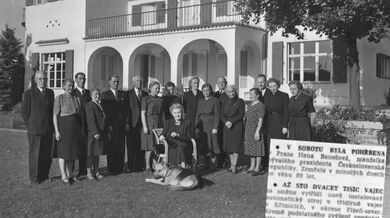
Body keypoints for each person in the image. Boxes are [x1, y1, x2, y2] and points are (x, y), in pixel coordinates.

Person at [21, 71, 54, 184]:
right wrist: (31, 125)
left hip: (48, 129)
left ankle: (44, 176)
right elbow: (25, 113)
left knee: (46, 154)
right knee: (35, 155)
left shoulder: (50, 93)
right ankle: (34, 178)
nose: (43, 81)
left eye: (45, 78)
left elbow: (50, 112)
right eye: (40, 79)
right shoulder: (29, 93)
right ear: (35, 80)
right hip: (35, 129)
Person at [53, 79, 82, 184]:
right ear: (64, 87)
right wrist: (57, 131)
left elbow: (78, 115)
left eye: (72, 85)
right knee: (63, 153)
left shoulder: (76, 98)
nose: (71, 87)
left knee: (71, 153)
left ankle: (70, 174)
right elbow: (55, 116)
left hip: (74, 128)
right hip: (63, 127)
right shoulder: (59, 98)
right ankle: (63, 175)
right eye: (69, 86)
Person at [101, 75, 129, 175]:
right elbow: (105, 111)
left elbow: (126, 110)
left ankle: (120, 168)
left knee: (121, 147)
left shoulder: (123, 94)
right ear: (109, 82)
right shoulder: (104, 95)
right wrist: (108, 124)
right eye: (114, 82)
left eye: (117, 81)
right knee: (112, 147)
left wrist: (126, 122)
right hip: (111, 125)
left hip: (121, 125)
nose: (116, 83)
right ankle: (112, 169)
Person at [126, 76, 149, 173]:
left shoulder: (145, 94)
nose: (140, 83)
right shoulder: (128, 94)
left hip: (143, 123)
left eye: (141, 81)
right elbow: (126, 110)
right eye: (138, 81)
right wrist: (127, 122)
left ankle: (140, 165)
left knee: (141, 145)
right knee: (131, 145)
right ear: (133, 83)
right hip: (132, 123)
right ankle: (131, 166)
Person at [141, 81, 165, 172]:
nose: (157, 90)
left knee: (157, 145)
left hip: (158, 123)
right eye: (155, 88)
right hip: (149, 123)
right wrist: (145, 126)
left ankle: (156, 165)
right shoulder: (145, 99)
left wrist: (163, 127)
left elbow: (162, 114)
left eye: (158, 88)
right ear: (150, 89)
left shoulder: (161, 100)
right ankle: (147, 166)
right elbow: (143, 113)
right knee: (149, 145)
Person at [195, 83, 220, 169]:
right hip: (202, 125)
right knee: (204, 144)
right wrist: (196, 126)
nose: (206, 92)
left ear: (211, 91)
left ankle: (214, 163)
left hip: (210, 124)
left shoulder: (215, 100)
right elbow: (197, 114)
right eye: (204, 90)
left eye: (208, 90)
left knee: (212, 144)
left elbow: (217, 115)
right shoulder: (200, 101)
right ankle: (206, 163)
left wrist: (215, 127)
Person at [160, 103, 193, 168]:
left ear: (182, 113)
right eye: (175, 113)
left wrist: (178, 135)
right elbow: (163, 134)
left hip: (184, 145)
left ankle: (182, 169)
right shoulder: (168, 123)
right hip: (171, 145)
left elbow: (188, 138)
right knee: (173, 150)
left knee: (180, 148)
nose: (177, 115)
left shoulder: (187, 123)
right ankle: (177, 168)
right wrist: (161, 136)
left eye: (179, 112)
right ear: (172, 114)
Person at [221, 84, 245, 174]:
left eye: (233, 91)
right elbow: (221, 114)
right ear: (227, 93)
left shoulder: (240, 101)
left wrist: (232, 122)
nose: (231, 93)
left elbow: (241, 114)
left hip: (236, 125)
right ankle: (231, 164)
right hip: (227, 125)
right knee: (229, 147)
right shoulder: (224, 102)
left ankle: (234, 165)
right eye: (229, 92)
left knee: (236, 146)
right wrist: (226, 122)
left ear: (235, 91)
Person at [244, 88, 266, 176]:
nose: (250, 96)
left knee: (257, 148)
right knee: (251, 148)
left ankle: (257, 167)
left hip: (256, 129)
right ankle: (252, 166)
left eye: (252, 94)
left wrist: (257, 132)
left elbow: (261, 120)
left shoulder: (261, 105)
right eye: (250, 94)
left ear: (257, 95)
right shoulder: (250, 105)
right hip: (248, 129)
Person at [85, 88, 106, 180]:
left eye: (98, 94)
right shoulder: (89, 105)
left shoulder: (99, 104)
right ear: (91, 95)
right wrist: (95, 132)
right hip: (93, 133)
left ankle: (97, 172)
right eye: (95, 95)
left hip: (100, 132)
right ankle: (89, 173)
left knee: (97, 153)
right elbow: (90, 120)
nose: (97, 96)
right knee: (90, 154)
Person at [73, 72, 91, 178]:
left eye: (84, 79)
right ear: (76, 80)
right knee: (75, 149)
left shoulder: (88, 93)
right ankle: (72, 172)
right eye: (80, 79)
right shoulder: (73, 93)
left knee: (85, 149)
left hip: (87, 125)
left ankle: (83, 171)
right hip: (77, 124)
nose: (82, 81)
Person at [264, 78, 289, 146]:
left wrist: (285, 126)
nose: (273, 88)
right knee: (270, 142)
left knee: (279, 142)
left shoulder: (284, 95)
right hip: (269, 122)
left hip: (279, 121)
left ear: (278, 85)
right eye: (270, 87)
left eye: (274, 86)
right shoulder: (267, 96)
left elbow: (286, 111)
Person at [214, 76, 229, 169]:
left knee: (225, 142)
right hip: (216, 121)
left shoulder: (229, 93)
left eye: (223, 82)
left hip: (225, 121)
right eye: (219, 82)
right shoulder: (214, 94)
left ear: (226, 83)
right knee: (218, 142)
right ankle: (219, 161)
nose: (221, 84)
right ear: (217, 84)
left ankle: (227, 162)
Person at [256, 74, 271, 170]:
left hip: (268, 121)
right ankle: (261, 163)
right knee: (260, 142)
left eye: (262, 82)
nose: (260, 84)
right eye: (259, 82)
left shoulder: (270, 92)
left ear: (265, 82)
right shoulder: (256, 93)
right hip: (258, 122)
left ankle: (267, 163)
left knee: (267, 141)